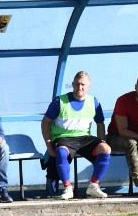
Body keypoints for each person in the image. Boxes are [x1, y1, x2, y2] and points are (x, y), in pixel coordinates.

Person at [41, 71, 112, 200]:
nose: (80, 87)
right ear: (73, 84)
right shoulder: (60, 101)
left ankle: (93, 186)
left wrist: (102, 140)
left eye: (83, 84)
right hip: (63, 138)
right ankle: (68, 188)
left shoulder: (94, 102)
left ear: (89, 85)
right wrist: (49, 145)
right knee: (61, 152)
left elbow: (100, 123)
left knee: (106, 149)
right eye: (77, 84)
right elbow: (45, 122)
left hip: (85, 138)